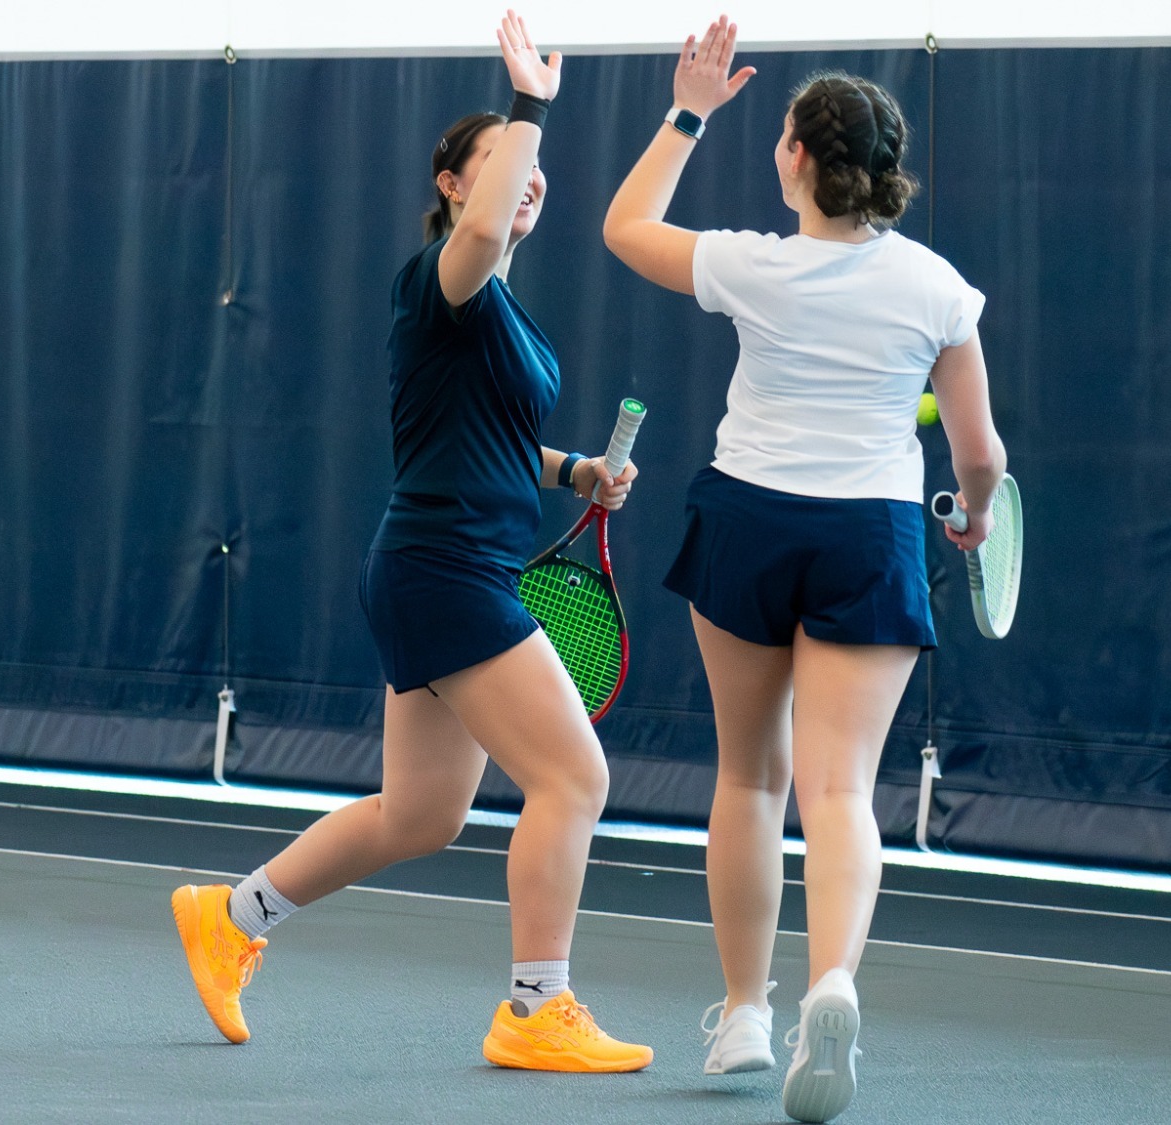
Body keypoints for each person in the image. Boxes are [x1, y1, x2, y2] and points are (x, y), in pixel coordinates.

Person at [171, 10, 651, 1074]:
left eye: (534, 168)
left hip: (436, 568)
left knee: (420, 815)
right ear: (451, 186)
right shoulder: (441, 279)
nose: (528, 181)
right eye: (500, 168)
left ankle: (232, 916)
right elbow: (481, 237)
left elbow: (482, 441)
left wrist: (572, 471)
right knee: (574, 782)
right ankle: (536, 1007)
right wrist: (529, 106)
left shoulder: (501, 318)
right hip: (443, 574)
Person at [603, 16, 1005, 1121]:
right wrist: (970, 517)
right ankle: (834, 981)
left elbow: (624, 226)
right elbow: (977, 453)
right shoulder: (939, 288)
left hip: (748, 524)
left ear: (792, 157)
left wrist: (689, 108)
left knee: (748, 778)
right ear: (884, 171)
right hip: (866, 536)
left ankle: (743, 1012)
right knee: (839, 792)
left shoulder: (749, 264)